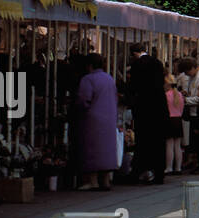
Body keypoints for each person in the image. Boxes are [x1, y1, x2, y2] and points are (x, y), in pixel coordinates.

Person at [124, 43, 168, 184]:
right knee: (159, 142)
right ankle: (159, 173)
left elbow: (133, 87)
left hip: (144, 109)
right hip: (159, 108)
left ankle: (140, 171)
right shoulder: (158, 63)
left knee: (143, 141)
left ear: (134, 53)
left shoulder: (137, 65)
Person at [75, 53, 119, 190]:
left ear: (89, 65)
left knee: (92, 149)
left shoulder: (88, 79)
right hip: (110, 117)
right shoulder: (109, 78)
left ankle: (92, 181)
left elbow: (83, 99)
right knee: (107, 149)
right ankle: (105, 180)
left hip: (93, 119)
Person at [163, 74, 185, 175]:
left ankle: (169, 167)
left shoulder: (166, 95)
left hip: (169, 119)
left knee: (169, 145)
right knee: (178, 145)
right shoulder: (179, 95)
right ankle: (178, 167)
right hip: (178, 119)